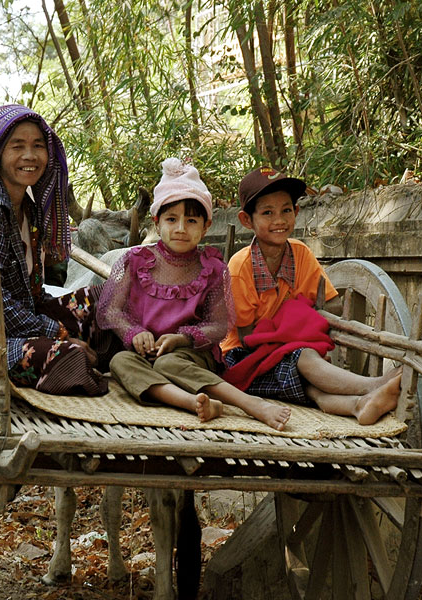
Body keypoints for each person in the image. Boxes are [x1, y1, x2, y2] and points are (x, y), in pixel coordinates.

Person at [0, 104, 115, 395]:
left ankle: (100, 357)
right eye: (18, 146)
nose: (30, 156)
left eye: (38, 146)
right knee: (69, 357)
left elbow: (31, 293)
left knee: (102, 299)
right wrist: (57, 332)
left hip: (16, 318)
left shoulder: (28, 208)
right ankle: (89, 359)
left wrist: (57, 323)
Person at [97, 158, 292, 429]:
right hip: (143, 352)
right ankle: (194, 402)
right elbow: (110, 310)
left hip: (190, 355)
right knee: (120, 361)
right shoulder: (136, 261)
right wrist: (133, 333)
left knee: (168, 364)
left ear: (205, 227)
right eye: (171, 219)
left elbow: (219, 326)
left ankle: (251, 404)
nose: (180, 228)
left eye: (191, 220)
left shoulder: (212, 268)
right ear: (156, 222)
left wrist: (182, 338)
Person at [220, 166, 402, 425]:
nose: (279, 220)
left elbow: (332, 305)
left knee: (310, 383)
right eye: (267, 213)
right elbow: (247, 337)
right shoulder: (240, 268)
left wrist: (296, 320)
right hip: (241, 360)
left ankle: (359, 406)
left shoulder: (301, 254)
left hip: (280, 351)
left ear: (295, 212)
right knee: (303, 356)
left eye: (286, 210)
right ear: (247, 220)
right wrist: (294, 321)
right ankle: (372, 386)